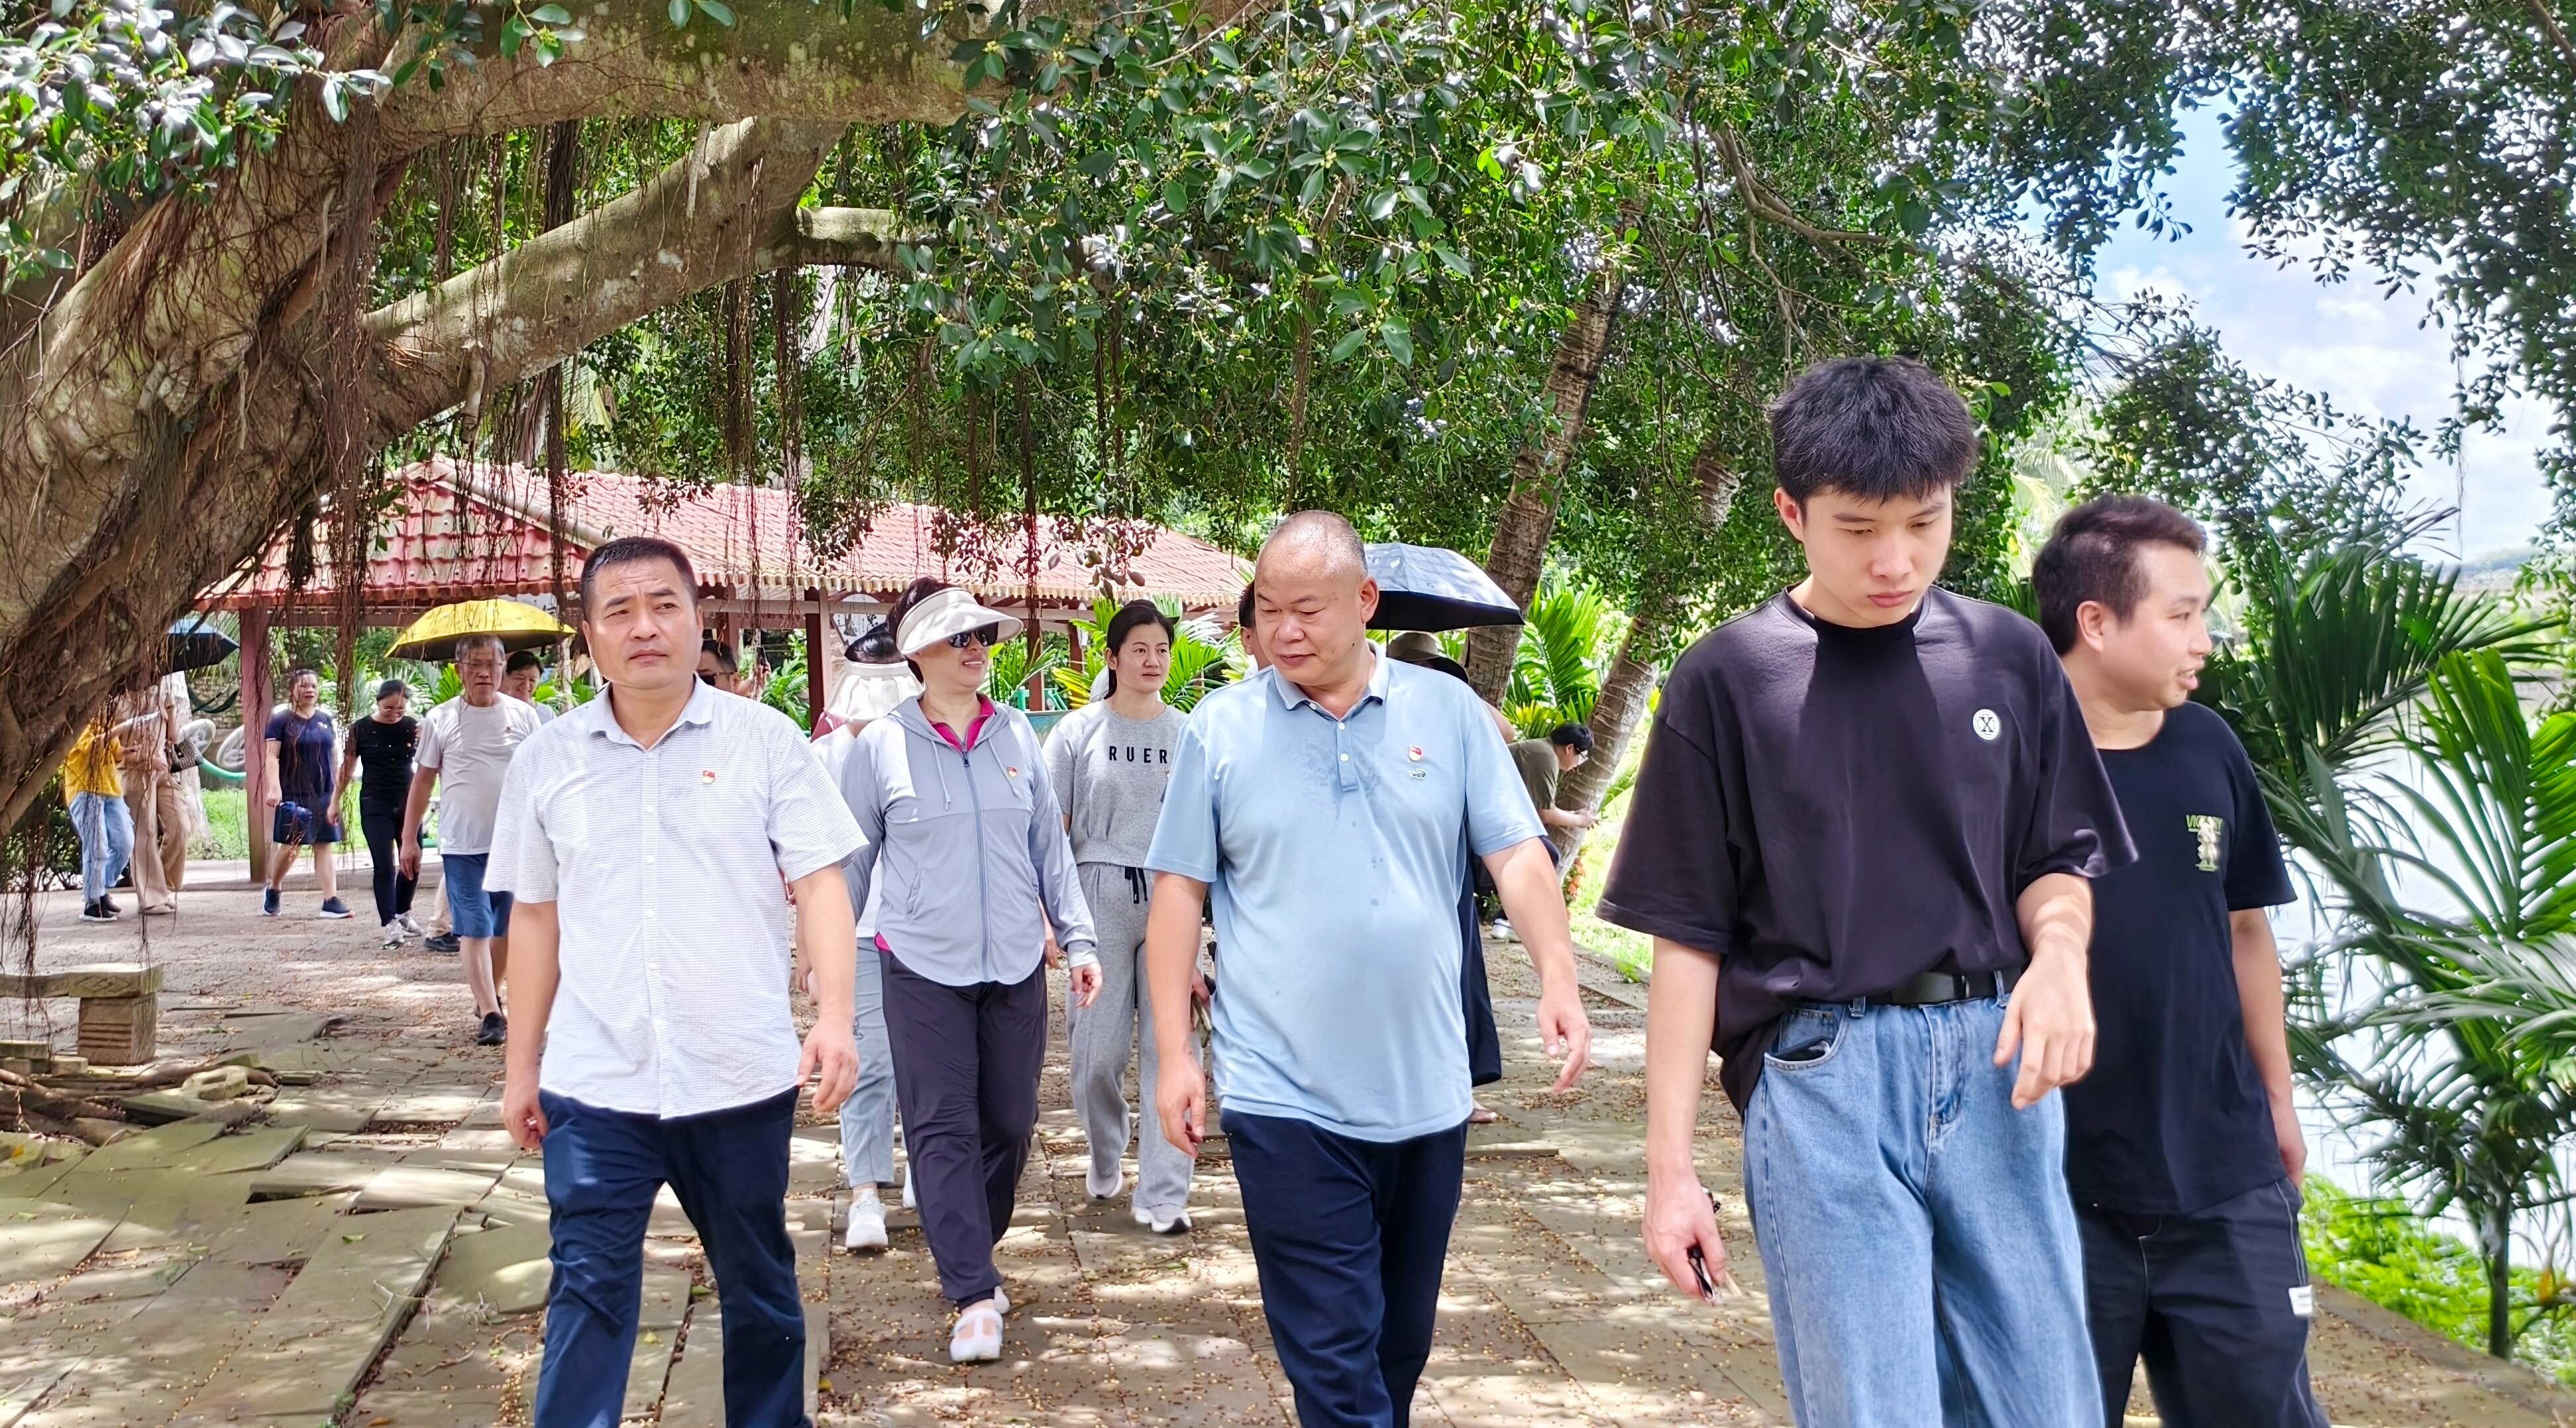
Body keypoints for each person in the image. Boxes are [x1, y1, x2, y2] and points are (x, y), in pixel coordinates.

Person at [1607, 356, 2133, 1428]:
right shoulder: (1728, 678)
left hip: (1997, 1065)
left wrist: (2060, 958)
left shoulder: (2006, 658)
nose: (1895, 561)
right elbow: (1687, 939)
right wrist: (1670, 1173)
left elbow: (2054, 860)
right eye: (1857, 529)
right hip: (1822, 1079)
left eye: (1923, 523)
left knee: (2048, 1404)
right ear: (1790, 513)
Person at [1142, 511, 1593, 1428]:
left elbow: (1516, 853)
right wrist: (1177, 1053)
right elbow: (1179, 891)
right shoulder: (1222, 729)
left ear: (1366, 601)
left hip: (1426, 1090)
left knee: (1397, 1346)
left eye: (1307, 609)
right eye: (1269, 610)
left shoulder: (1450, 715)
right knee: (1336, 1357)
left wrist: (1559, 974)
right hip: (1281, 1093)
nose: (1284, 631)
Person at [487, 535, 865, 1428]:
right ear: (589, 635)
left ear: (699, 620)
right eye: (619, 611)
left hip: (736, 1075)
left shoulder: (765, 743)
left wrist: (837, 1017)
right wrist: (520, 1068)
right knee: (587, 1288)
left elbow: (822, 884)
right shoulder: (548, 759)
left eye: (664, 605)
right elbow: (534, 919)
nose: (645, 627)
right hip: (595, 1081)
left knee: (759, 1284)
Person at [2033, 496, 2324, 1428]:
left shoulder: (2209, 746)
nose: (2205, 639)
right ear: (2096, 621)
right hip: (2055, 1187)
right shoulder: (2009, 760)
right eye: (2183, 614)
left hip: (2226, 1179)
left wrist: (2279, 1099)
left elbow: (2246, 931)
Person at [832, 577, 1101, 1364]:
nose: (976, 648)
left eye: (982, 635)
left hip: (1015, 961)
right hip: (919, 964)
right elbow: (851, 867)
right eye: (959, 638)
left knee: (1011, 1124)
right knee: (941, 1126)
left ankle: (971, 1247)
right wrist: (831, 971)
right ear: (917, 653)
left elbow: (1050, 848)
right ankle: (973, 1293)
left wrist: (1079, 940)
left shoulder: (1016, 734)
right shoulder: (880, 747)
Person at [1047, 600, 1199, 1233]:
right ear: (1111, 658)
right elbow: (1049, 833)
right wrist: (1051, 917)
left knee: (1173, 1046)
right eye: (1139, 649)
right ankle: (1107, 1146)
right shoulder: (1076, 733)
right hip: (1098, 890)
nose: (1153, 661)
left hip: (1172, 892)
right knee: (1096, 1055)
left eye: (1162, 650)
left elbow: (1208, 831)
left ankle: (1165, 1193)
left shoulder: (1189, 734)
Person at [402, 636, 545, 1046]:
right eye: (474, 664)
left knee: (505, 926)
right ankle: (491, 1012)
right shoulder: (441, 718)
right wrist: (409, 838)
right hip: (462, 842)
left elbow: (541, 777)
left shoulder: (524, 715)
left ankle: (489, 997)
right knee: (474, 927)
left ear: (502, 668)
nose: (484, 673)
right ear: (459, 670)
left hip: (514, 841)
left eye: (491, 664)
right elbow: (423, 781)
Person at [262, 669, 352, 920]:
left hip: (323, 793)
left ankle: (330, 900)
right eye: (304, 686)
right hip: (294, 793)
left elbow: (333, 754)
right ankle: (274, 888)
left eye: (314, 686)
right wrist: (274, 788)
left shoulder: (325, 719)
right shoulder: (281, 721)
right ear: (292, 690)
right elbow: (272, 757)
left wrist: (336, 789)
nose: (310, 690)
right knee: (292, 846)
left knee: (323, 844)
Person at [339, 680, 423, 946]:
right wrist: (334, 802)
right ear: (377, 702)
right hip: (375, 802)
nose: (394, 713)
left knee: (412, 860)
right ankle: (389, 923)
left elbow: (430, 760)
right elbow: (347, 768)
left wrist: (425, 738)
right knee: (384, 865)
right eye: (389, 708)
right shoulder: (361, 729)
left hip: (408, 801)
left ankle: (403, 912)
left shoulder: (411, 727)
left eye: (400, 709)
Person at [117, 684, 188, 915]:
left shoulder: (159, 697)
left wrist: (171, 710)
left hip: (163, 772)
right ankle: (151, 898)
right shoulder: (117, 702)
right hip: (134, 772)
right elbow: (111, 746)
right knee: (144, 832)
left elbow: (173, 737)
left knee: (180, 826)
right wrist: (145, 759)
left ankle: (163, 887)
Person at [63, 713, 133, 923]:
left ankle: (100, 888)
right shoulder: (74, 722)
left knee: (125, 843)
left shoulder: (105, 721)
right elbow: (92, 746)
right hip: (84, 789)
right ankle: (93, 904)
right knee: (97, 847)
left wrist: (126, 752)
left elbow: (114, 751)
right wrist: (121, 728)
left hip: (111, 789)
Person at [1509, 724, 1596, 836]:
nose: (1578, 764)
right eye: (1582, 757)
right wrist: (1580, 820)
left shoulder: (1544, 749)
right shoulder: (1546, 757)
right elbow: (1545, 814)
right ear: (1569, 748)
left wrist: (1572, 815)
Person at [502, 650, 557, 721]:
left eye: (532, 680)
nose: (527, 685)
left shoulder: (546, 713)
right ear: (506, 676)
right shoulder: (499, 709)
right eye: (520, 678)